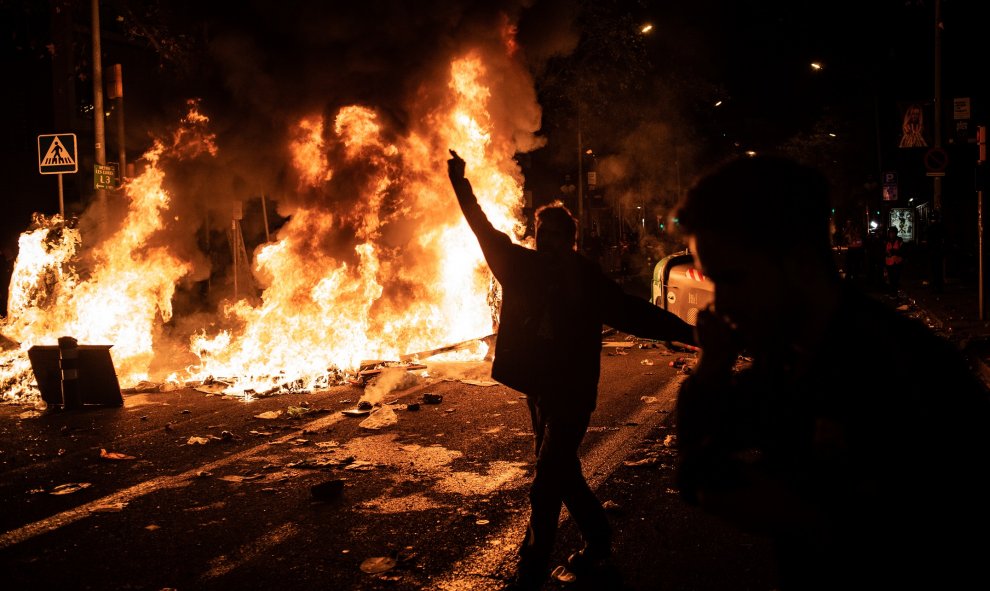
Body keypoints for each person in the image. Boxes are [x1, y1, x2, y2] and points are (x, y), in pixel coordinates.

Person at [671, 154, 990, 590]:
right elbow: (697, 466)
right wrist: (712, 365)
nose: (719, 304)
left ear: (800, 265)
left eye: (733, 280)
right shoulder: (786, 360)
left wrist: (812, 517)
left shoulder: (908, 371)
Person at [446, 150, 695, 590]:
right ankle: (598, 539)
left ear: (571, 240)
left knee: (545, 483)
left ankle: (531, 572)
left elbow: (636, 313)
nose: (548, 241)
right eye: (543, 233)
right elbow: (480, 226)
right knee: (563, 472)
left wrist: (694, 334)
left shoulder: (586, 280)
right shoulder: (519, 266)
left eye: (558, 235)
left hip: (574, 393)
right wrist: (459, 183)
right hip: (540, 390)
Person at [884, 224, 904, 293]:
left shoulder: (899, 240)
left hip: (897, 263)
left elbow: (902, 251)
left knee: (896, 278)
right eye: (890, 233)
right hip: (889, 263)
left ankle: (895, 292)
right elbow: (884, 251)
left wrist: (893, 252)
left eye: (893, 233)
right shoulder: (886, 241)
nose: (891, 234)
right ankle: (892, 292)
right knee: (891, 279)